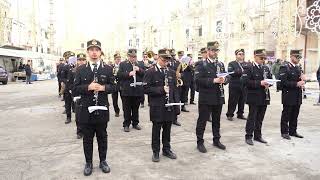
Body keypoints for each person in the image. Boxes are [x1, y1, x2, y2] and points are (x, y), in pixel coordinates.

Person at [74, 39, 116, 176]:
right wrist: (88, 87)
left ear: (100, 52)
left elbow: (115, 87)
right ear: (87, 52)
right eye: (91, 50)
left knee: (102, 137)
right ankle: (88, 163)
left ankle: (103, 161)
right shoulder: (80, 69)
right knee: (87, 138)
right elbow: (74, 89)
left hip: (102, 109)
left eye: (96, 50)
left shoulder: (108, 69)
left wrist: (104, 87)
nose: (94, 52)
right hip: (86, 110)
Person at [144, 48, 178, 162]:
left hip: (169, 106)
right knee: (156, 130)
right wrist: (161, 89)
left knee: (167, 130)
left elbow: (174, 90)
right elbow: (145, 88)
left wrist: (176, 107)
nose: (166, 62)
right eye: (164, 60)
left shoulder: (171, 72)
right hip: (157, 106)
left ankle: (166, 149)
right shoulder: (150, 72)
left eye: (168, 60)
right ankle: (156, 151)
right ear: (158, 57)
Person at [194, 41, 228, 153]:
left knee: (217, 120)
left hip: (219, 96)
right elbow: (198, 80)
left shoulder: (220, 64)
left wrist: (225, 80)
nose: (214, 52)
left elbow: (227, 77)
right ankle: (200, 142)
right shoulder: (201, 64)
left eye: (216, 50)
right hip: (206, 97)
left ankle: (216, 140)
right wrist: (214, 80)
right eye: (213, 50)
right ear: (208, 51)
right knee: (202, 120)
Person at [242, 49, 272, 145]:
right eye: (261, 58)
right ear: (255, 56)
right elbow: (245, 82)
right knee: (252, 117)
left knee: (260, 118)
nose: (263, 60)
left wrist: (269, 84)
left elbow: (270, 79)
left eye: (264, 58)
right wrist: (260, 83)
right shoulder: (249, 67)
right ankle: (249, 136)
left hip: (264, 96)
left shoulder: (266, 68)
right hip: (253, 96)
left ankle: (258, 136)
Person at [117, 49, 145, 132]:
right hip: (127, 90)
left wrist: (139, 70)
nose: (133, 58)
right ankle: (126, 124)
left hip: (137, 90)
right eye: (131, 57)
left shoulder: (140, 63)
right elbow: (119, 75)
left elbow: (145, 74)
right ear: (128, 56)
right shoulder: (123, 64)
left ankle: (135, 123)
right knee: (126, 108)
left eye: (134, 57)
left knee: (136, 108)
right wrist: (128, 74)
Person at [279, 50, 305, 139]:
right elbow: (283, 82)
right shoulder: (285, 67)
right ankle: (284, 132)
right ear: (292, 56)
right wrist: (296, 84)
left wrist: (302, 80)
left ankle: (293, 131)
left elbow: (300, 80)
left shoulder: (298, 68)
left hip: (297, 95)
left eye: (299, 57)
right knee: (286, 114)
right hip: (288, 95)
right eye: (297, 57)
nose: (298, 59)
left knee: (295, 114)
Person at [226, 49, 247, 121]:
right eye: (239, 54)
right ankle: (230, 114)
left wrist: (240, 72)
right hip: (234, 85)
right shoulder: (232, 63)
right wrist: (241, 71)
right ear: (236, 55)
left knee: (242, 100)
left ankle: (240, 114)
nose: (241, 55)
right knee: (233, 100)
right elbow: (231, 72)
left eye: (242, 54)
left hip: (244, 85)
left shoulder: (246, 64)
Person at [73, 53, 87, 139]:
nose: (81, 62)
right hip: (76, 95)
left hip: (85, 94)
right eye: (79, 60)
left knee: (85, 114)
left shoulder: (88, 70)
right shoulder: (73, 70)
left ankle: (85, 130)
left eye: (83, 60)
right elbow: (70, 83)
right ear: (77, 61)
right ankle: (79, 131)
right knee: (78, 115)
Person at [60, 51, 76, 124]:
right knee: (67, 103)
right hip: (68, 88)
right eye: (70, 58)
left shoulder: (78, 67)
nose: (72, 59)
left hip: (76, 88)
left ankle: (78, 118)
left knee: (77, 104)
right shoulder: (65, 67)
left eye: (73, 58)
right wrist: (67, 81)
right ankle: (68, 117)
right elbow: (62, 78)